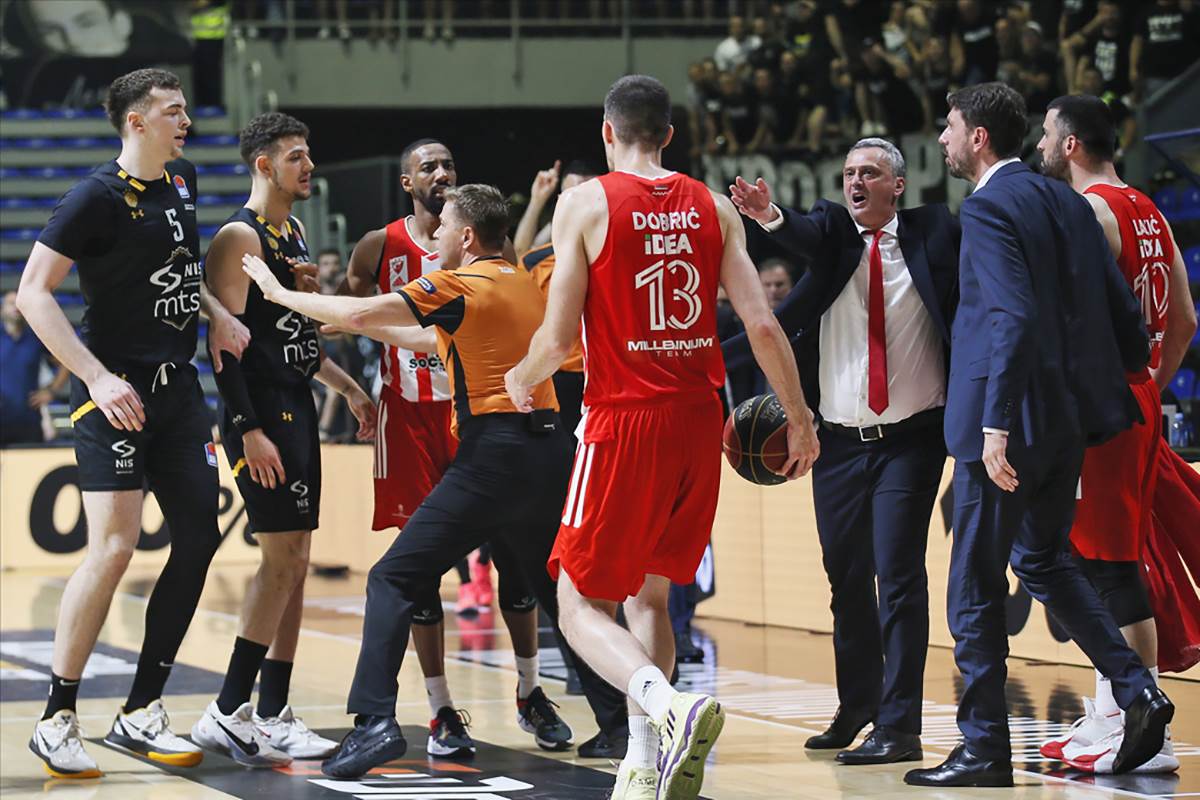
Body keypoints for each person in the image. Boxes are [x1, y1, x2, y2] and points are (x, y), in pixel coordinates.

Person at [505, 74, 820, 800]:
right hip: (698, 419)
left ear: (607, 131)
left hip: (623, 418)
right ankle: (644, 761)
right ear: (670, 135)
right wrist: (799, 420)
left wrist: (522, 379)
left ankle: (668, 703)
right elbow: (764, 326)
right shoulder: (712, 207)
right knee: (651, 595)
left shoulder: (583, 204)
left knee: (577, 599)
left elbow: (555, 341)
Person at [240, 183, 594, 778]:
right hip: (550, 450)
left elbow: (359, 309)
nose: (435, 238)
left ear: (468, 237)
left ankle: (376, 723)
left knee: (393, 578)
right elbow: (422, 337)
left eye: (445, 229)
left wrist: (278, 294)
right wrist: (344, 323)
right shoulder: (524, 282)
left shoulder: (460, 282)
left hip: (494, 454)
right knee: (557, 590)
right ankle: (621, 719)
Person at [907, 82, 1173, 787]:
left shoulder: (991, 206)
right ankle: (1138, 689)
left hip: (1007, 422)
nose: (943, 140)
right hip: (1064, 423)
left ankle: (984, 750)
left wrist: (996, 423)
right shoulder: (1066, 198)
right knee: (1049, 565)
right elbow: (1124, 316)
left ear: (980, 138)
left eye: (950, 127)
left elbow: (1012, 318)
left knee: (971, 589)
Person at [18, 68, 249, 778]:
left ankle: (141, 708)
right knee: (114, 549)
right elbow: (32, 293)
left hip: (178, 392)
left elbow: (184, 275)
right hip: (112, 394)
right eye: (173, 112)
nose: (187, 122)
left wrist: (218, 318)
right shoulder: (93, 196)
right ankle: (57, 716)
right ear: (136, 122)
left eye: (185, 110)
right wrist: (94, 376)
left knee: (200, 540)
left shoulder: (181, 187)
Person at [338, 139, 583, 759]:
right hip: (414, 419)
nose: (442, 174)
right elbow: (364, 308)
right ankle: (442, 708)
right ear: (406, 182)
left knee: (521, 569)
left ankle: (531, 692)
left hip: (481, 420)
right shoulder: (380, 244)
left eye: (448, 165)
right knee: (413, 576)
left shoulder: (482, 255)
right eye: (429, 167)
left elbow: (513, 263)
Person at [725, 137, 959, 766]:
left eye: (871, 173)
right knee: (846, 578)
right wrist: (769, 217)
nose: (857, 181)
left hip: (912, 438)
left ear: (898, 186)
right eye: (850, 172)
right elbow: (799, 230)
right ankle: (857, 706)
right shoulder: (831, 230)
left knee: (900, 577)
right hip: (837, 442)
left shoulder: (936, 233)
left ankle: (900, 725)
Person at [190, 112, 376, 767]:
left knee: (296, 561)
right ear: (264, 165)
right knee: (279, 562)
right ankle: (228, 709)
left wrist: (346, 387)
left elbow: (290, 341)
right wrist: (249, 430)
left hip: (295, 404)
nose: (309, 166)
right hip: (260, 416)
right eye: (297, 157)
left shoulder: (290, 231)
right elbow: (226, 354)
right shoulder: (238, 239)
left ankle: (271, 710)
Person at [1035, 93, 1196, 774]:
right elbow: (1184, 320)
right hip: (1135, 399)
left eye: (1047, 134)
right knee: (1110, 559)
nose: (1040, 145)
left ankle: (1139, 722)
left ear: (1072, 144)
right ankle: (1110, 707)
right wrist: (1149, 394)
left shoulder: (1091, 211)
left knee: (1109, 564)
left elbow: (1078, 326)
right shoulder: (1149, 209)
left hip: (1104, 405)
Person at [1, 291, 68, 444]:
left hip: (29, 419)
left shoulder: (35, 337)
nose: (16, 308)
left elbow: (65, 362)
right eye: (11, 303)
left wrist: (51, 391)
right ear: (2, 309)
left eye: (19, 303)